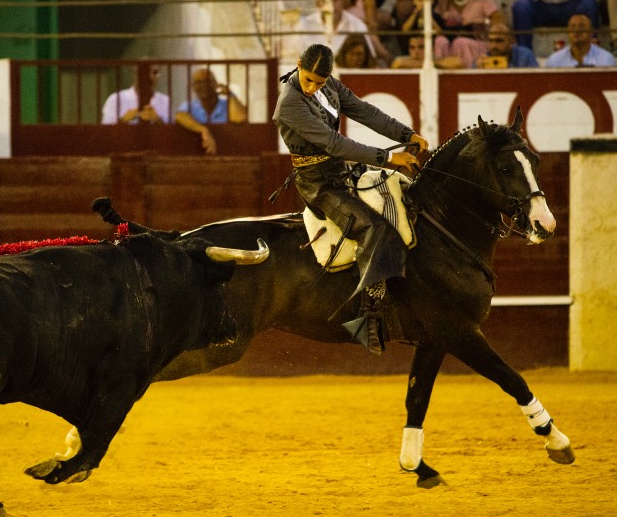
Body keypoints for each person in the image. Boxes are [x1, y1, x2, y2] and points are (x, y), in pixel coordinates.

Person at [272, 43, 428, 355]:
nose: (314, 87)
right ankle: (367, 317)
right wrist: (389, 158)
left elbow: (364, 111)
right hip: (319, 186)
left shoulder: (328, 85)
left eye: (320, 81)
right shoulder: (288, 104)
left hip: (340, 173)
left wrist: (406, 134)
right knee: (375, 228)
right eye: (309, 81)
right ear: (299, 65)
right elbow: (334, 143)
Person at [294, 0, 391, 66]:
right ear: (318, 3)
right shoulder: (303, 25)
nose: (331, 5)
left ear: (343, 2)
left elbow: (369, 61)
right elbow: (293, 58)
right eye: (326, 0)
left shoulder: (357, 26)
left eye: (335, 0)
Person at [433, 0, 504, 68]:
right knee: (440, 41)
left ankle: (467, 74)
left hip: (477, 42)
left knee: (460, 43)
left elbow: (498, 19)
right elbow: (436, 19)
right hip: (450, 40)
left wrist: (482, 24)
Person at [174, 68, 247, 156]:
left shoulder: (227, 104)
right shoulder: (189, 106)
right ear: (193, 87)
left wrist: (230, 95)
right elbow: (179, 116)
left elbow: (240, 118)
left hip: (229, 155)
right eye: (198, 82)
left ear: (216, 84)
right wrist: (203, 130)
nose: (203, 85)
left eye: (207, 81)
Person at [101, 63, 170, 124]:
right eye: (146, 72)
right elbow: (106, 132)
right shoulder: (116, 99)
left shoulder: (165, 100)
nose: (151, 76)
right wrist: (123, 120)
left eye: (155, 72)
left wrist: (157, 120)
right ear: (136, 74)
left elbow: (171, 133)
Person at [544, 13, 617, 67]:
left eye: (582, 26)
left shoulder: (606, 59)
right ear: (568, 33)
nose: (577, 30)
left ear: (591, 32)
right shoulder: (554, 61)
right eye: (572, 27)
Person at [474, 21, 539, 68]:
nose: (493, 46)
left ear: (511, 41)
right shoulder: (484, 59)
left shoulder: (525, 56)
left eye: (499, 41)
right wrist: (479, 73)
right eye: (490, 41)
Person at [390, 33, 464, 69]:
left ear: (432, 48)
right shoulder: (404, 60)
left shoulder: (436, 60)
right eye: (412, 48)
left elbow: (458, 62)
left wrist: (430, 63)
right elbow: (397, 63)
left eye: (421, 47)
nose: (416, 52)